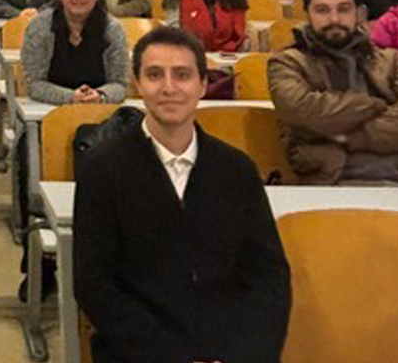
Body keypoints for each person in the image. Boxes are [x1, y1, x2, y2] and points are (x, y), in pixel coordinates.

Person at [75, 26, 291, 363]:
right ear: (137, 83)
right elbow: (94, 283)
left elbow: (268, 277)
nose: (169, 88)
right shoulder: (102, 168)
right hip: (139, 353)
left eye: (182, 75)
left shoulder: (237, 169)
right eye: (154, 75)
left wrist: (241, 356)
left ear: (203, 84)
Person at [269, 0, 398, 185]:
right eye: (322, 10)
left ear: (359, 14)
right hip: (331, 183)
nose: (334, 19)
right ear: (307, 15)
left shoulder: (390, 61)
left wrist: (351, 136)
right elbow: (302, 111)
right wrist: (374, 105)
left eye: (344, 9)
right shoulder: (288, 62)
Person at [20, 0, 129, 105]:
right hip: (48, 110)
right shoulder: (39, 27)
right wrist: (70, 97)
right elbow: (34, 85)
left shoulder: (113, 29)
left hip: (99, 110)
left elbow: (120, 85)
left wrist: (100, 96)